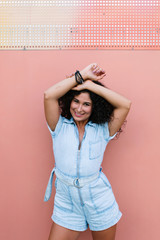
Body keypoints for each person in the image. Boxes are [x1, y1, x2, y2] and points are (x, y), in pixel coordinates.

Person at [43, 63, 131, 240]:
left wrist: (90, 86)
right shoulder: (59, 126)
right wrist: (81, 75)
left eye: (86, 104)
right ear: (69, 102)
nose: (79, 108)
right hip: (67, 201)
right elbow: (48, 95)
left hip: (98, 199)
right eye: (76, 101)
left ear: (94, 107)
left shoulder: (103, 130)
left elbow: (125, 104)